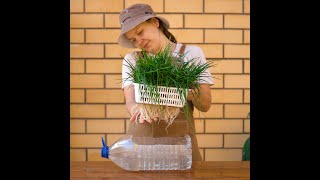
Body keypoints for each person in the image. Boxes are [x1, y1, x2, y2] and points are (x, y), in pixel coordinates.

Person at [118, 3, 214, 162]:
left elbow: (205, 105)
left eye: (140, 32)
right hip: (144, 147)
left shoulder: (191, 53)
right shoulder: (132, 61)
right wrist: (138, 111)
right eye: (133, 40)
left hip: (181, 147)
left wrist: (183, 93)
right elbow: (130, 102)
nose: (139, 41)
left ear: (155, 22)